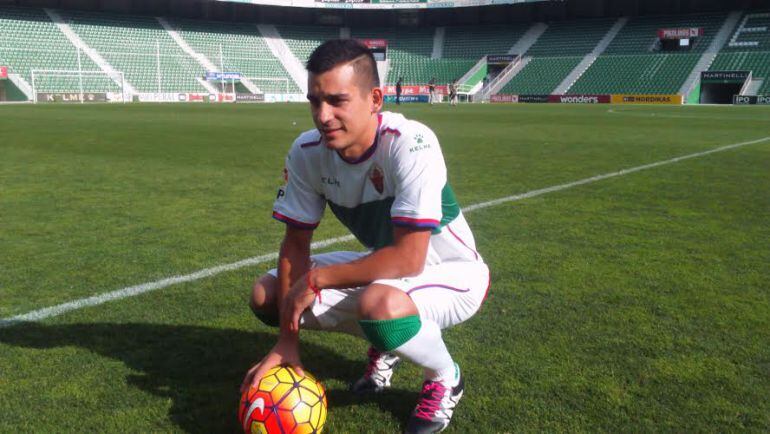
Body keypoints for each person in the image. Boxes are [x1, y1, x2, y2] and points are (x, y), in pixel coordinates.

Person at [241, 39, 489, 434]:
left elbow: (409, 259)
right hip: (385, 266)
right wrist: (288, 339)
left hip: (453, 271)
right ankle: (387, 343)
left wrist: (318, 280)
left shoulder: (410, 143)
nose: (323, 116)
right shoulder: (307, 152)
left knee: (378, 305)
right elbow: (295, 245)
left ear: (375, 98)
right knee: (267, 296)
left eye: (337, 101)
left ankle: (445, 377)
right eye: (314, 101)